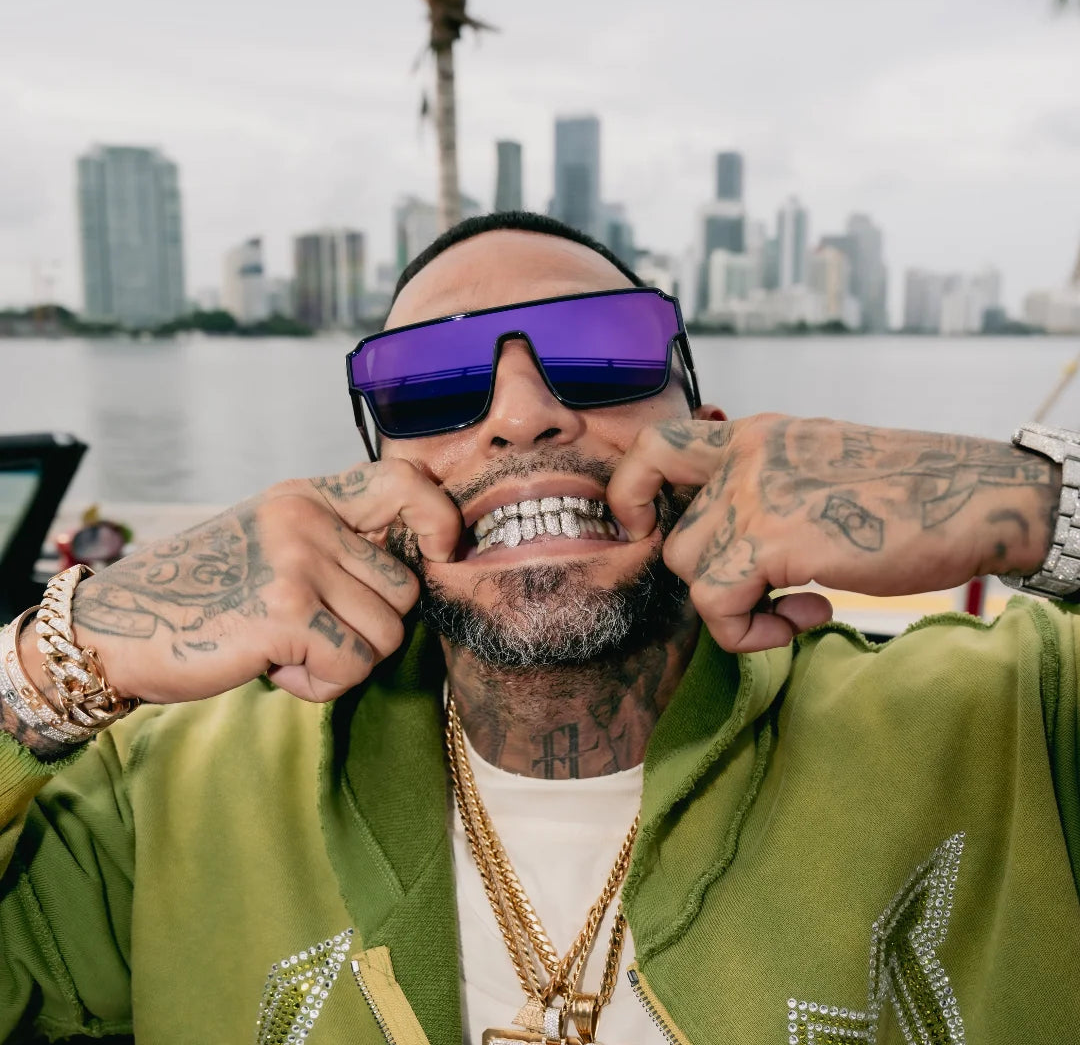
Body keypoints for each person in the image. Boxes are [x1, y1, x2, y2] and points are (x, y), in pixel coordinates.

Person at [1, 210, 1078, 1045]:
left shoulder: (1010, 723)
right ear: (374, 481)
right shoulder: (162, 799)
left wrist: (1023, 503)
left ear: (707, 434)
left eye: (602, 353)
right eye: (431, 385)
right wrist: (69, 655)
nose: (522, 414)